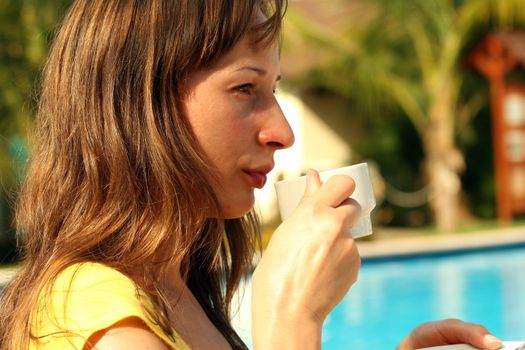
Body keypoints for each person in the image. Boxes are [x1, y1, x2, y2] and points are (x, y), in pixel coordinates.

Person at [0, 1, 503, 349]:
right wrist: (291, 319)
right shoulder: (87, 316)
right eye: (245, 88)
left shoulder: (173, 288)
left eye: (275, 89)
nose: (282, 132)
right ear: (140, 104)